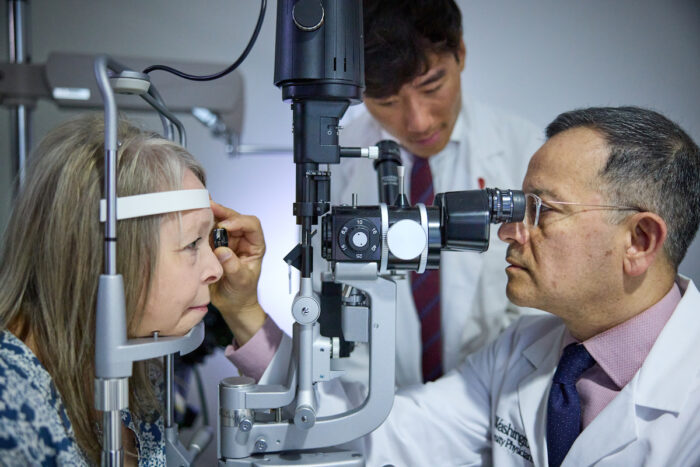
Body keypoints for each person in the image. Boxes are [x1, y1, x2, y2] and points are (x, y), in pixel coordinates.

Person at [230, 106, 700, 466]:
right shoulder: (521, 351)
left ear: (639, 240)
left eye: (543, 211)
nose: (509, 232)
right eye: (519, 208)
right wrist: (243, 311)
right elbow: (385, 434)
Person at [0, 115, 266, 465]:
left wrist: (243, 308)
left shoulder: (139, 367)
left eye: (210, 239)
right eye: (191, 244)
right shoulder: (11, 408)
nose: (217, 268)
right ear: (100, 253)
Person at [322, 0, 544, 386]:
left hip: (499, 396)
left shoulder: (526, 151)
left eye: (431, 85)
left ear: (460, 52)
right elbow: (333, 304)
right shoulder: (335, 160)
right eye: (387, 102)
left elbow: (542, 309)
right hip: (380, 405)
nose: (417, 121)